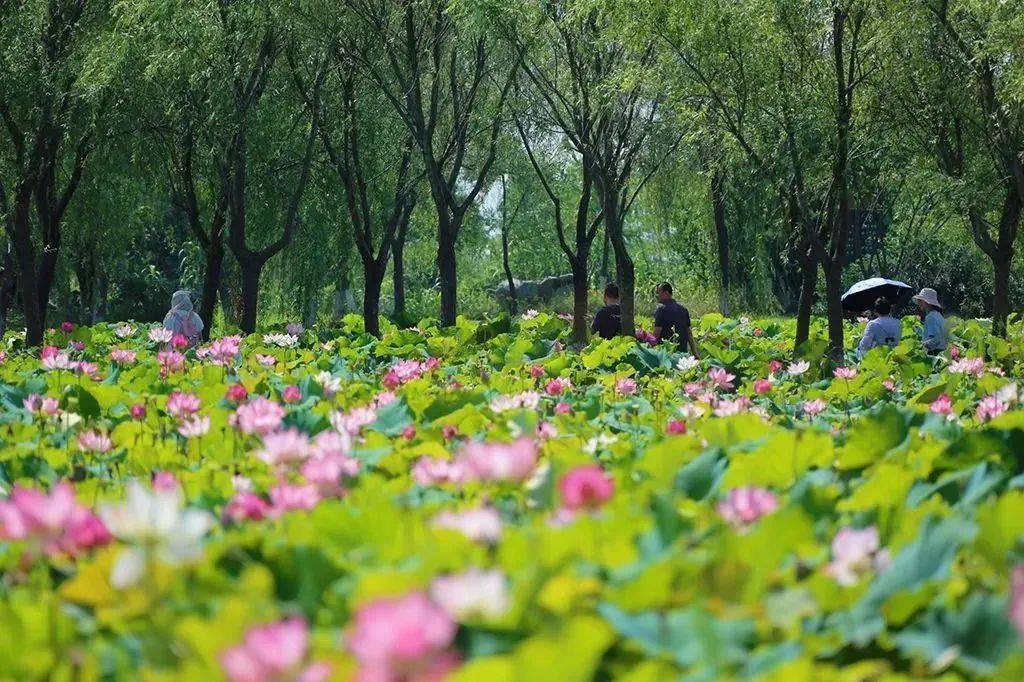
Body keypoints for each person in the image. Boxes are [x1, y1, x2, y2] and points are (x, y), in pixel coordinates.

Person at [653, 282, 699, 358]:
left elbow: (656, 334)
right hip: (682, 354)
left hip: (666, 354)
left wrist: (650, 350)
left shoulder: (661, 310)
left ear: (666, 293)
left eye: (659, 292)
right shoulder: (684, 310)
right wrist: (695, 354)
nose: (657, 295)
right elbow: (689, 334)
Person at [912, 287, 948, 354]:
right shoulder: (938, 315)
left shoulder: (930, 317)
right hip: (943, 352)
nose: (919, 303)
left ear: (926, 302)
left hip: (935, 352)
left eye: (920, 301)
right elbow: (933, 334)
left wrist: (920, 346)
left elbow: (935, 339)